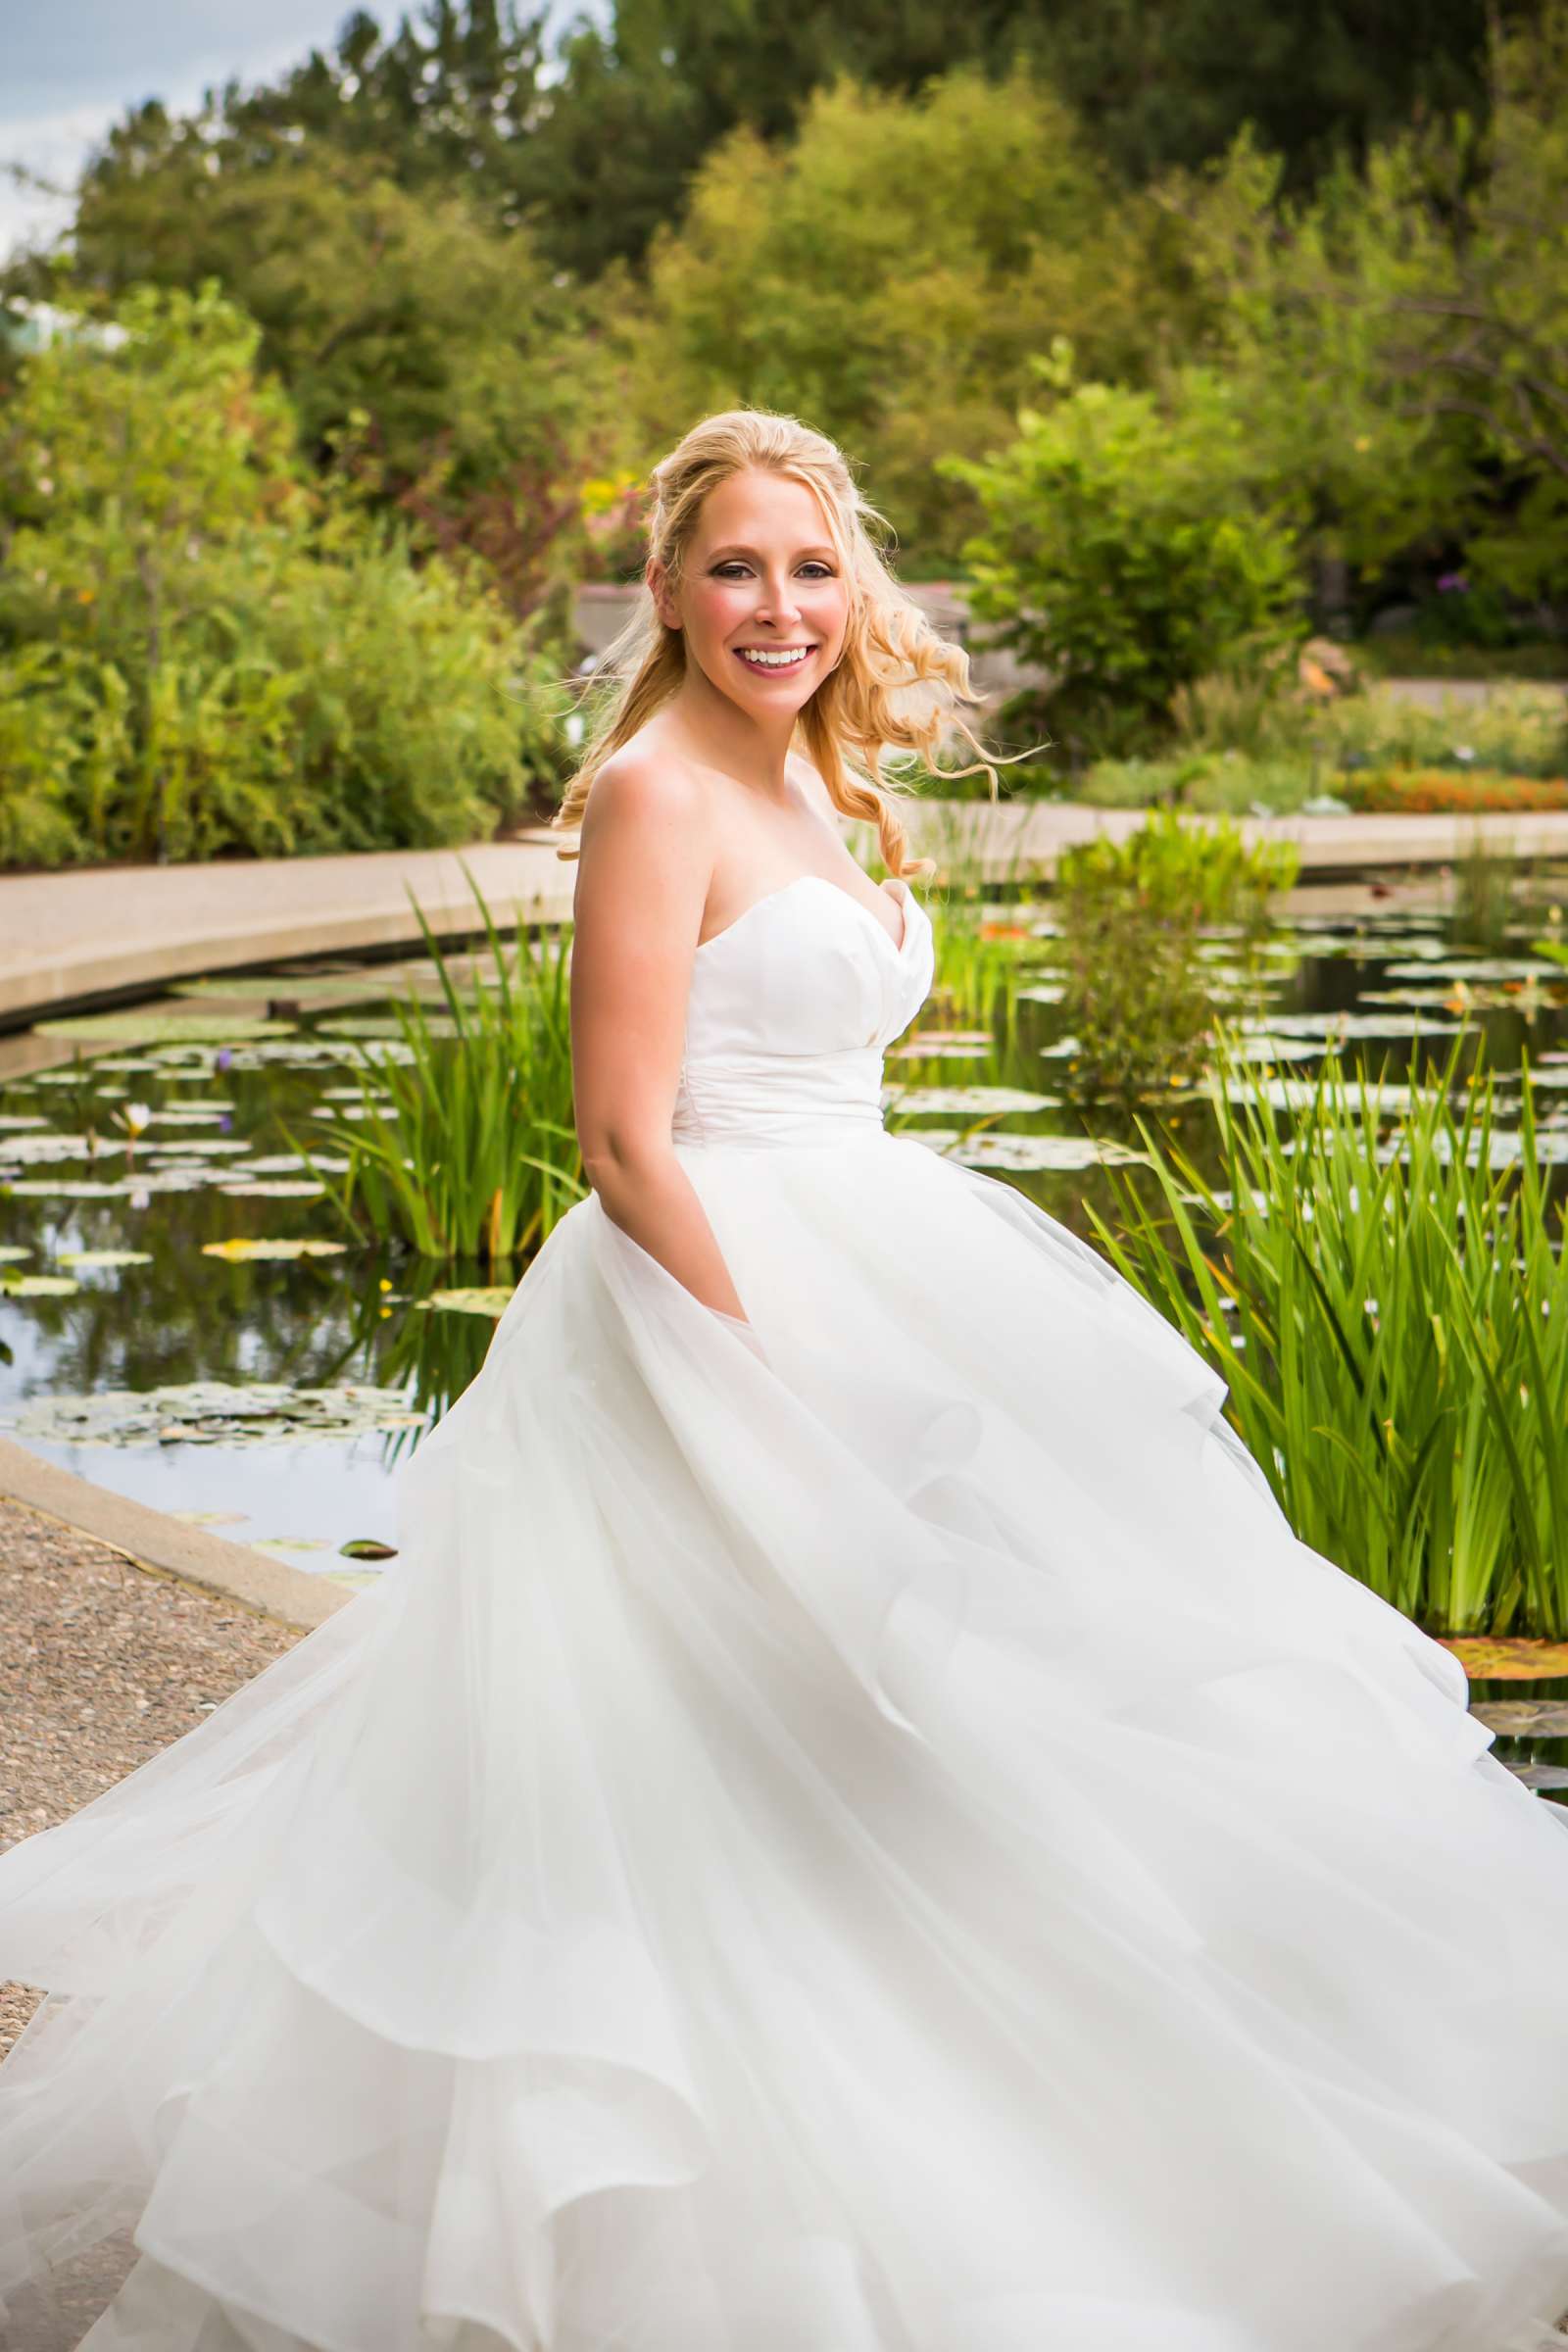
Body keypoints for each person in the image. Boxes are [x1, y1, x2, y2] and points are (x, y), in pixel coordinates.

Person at [3, 408, 1568, 2352]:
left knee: (937, 1750)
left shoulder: (820, 786)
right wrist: (772, 1387)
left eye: (811, 566)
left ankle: (1008, 2149)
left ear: (855, 589)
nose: (777, 604)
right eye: (734, 566)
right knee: (705, 1778)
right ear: (663, 587)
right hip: (714, 1299)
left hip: (881, 1252)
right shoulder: (656, 792)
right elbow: (619, 1135)